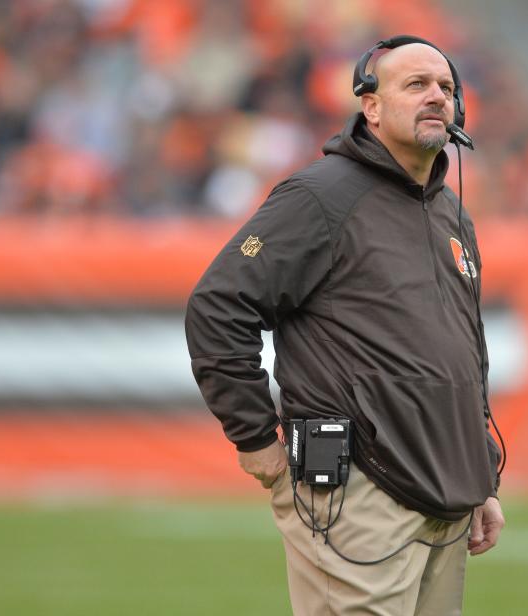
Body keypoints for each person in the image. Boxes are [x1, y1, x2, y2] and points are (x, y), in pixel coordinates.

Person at [185, 35, 504, 615]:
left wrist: (479, 473)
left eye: (447, 88)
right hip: (359, 492)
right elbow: (217, 306)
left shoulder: (450, 210)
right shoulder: (319, 197)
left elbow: (464, 349)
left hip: (448, 496)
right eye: (416, 85)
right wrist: (254, 436)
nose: (437, 97)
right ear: (371, 106)